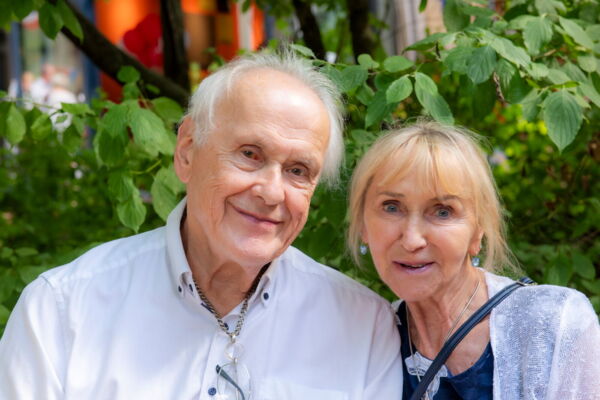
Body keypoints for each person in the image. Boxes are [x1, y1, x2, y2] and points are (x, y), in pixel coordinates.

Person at [0, 50, 403, 399]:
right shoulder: (61, 312)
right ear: (188, 151)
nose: (271, 192)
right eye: (250, 154)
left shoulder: (363, 329)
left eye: (298, 170)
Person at [347, 121, 600, 399]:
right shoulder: (369, 338)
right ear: (362, 225)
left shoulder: (552, 324)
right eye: (391, 207)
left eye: (442, 211)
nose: (412, 239)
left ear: (478, 231)